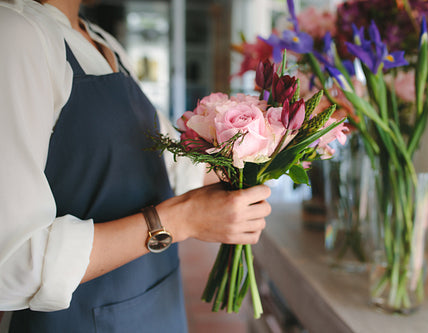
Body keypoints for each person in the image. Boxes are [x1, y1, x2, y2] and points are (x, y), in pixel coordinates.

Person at [0, 0, 272, 332]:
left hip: (156, 305)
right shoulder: (15, 32)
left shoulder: (101, 41)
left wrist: (276, 139)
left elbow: (170, 167)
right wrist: (180, 219)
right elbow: (12, 262)